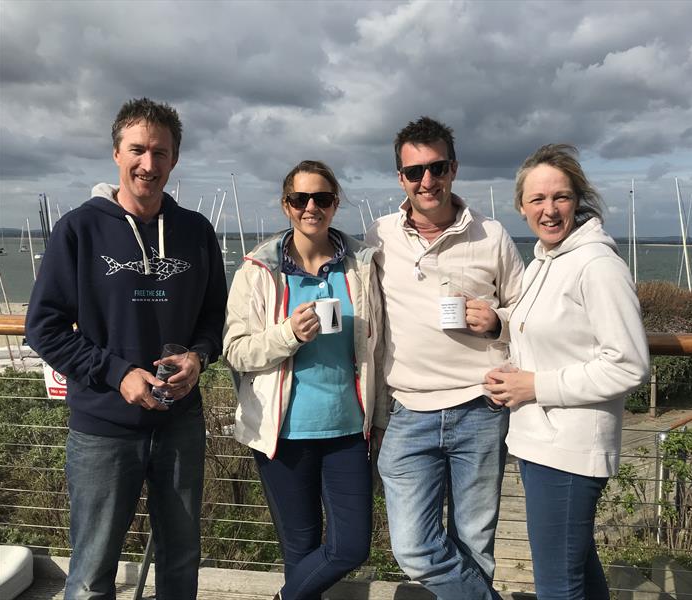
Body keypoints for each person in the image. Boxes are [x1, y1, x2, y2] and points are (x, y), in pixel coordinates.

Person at [25, 98, 227, 599]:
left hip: (181, 423)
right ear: (116, 153)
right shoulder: (79, 228)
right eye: (137, 149)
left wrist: (198, 356)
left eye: (161, 153)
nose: (149, 164)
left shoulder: (196, 232)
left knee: (181, 562)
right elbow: (43, 328)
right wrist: (119, 374)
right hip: (102, 429)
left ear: (174, 160)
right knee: (92, 572)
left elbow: (215, 318)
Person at [366, 117, 524, 600]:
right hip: (409, 410)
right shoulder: (380, 235)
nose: (426, 181)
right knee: (413, 548)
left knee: (475, 545)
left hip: (480, 406)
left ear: (453, 169)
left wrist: (498, 320)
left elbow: (529, 312)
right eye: (415, 172)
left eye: (436, 168)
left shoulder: (492, 236)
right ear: (400, 178)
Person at [484, 144, 650, 599]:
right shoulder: (544, 260)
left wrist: (535, 385)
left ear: (579, 200)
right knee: (577, 571)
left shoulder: (597, 265)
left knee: (558, 585)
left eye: (560, 197)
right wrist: (504, 338)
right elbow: (554, 339)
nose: (549, 209)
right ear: (521, 207)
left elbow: (629, 364)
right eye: (537, 199)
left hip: (570, 449)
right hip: (543, 441)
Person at [224, 160, 385, 600]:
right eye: (300, 199)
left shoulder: (362, 267)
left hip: (349, 431)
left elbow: (380, 346)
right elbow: (236, 350)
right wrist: (288, 335)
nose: (311, 207)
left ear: (335, 204)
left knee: (350, 547)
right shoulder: (258, 271)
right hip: (283, 435)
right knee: (300, 550)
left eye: (322, 198)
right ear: (286, 205)